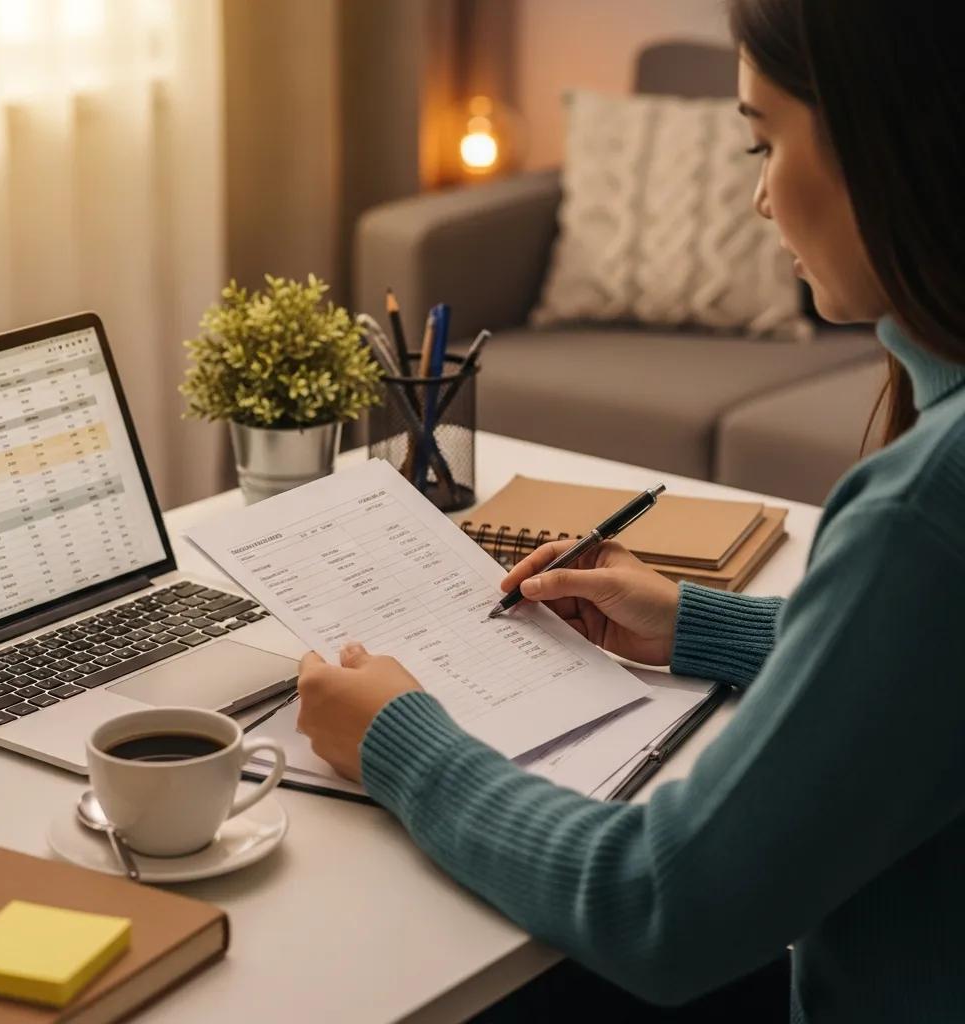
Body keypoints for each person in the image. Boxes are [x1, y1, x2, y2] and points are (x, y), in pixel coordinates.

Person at [296, 0, 965, 1019]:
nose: (755, 198)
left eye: (761, 139)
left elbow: (655, 901)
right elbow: (922, 659)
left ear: (891, 143)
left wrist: (398, 739)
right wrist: (697, 621)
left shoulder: (923, 507)